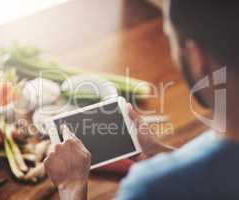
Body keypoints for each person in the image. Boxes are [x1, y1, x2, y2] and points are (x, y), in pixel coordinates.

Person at [44, 0, 239, 199]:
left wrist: (71, 186)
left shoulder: (148, 188)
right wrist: (160, 153)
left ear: (197, 57)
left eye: (169, 38)